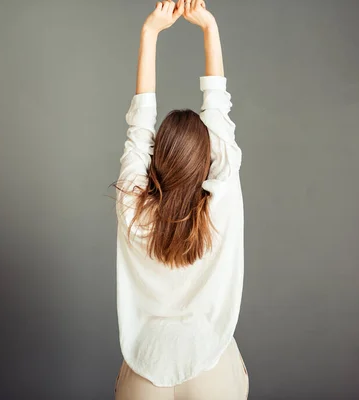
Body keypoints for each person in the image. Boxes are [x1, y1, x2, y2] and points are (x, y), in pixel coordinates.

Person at [110, 0, 247, 398]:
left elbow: (138, 128)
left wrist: (150, 32)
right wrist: (209, 27)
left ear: (157, 157)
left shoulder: (133, 211)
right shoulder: (221, 201)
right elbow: (218, 114)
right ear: (209, 160)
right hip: (211, 362)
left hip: (144, 366)